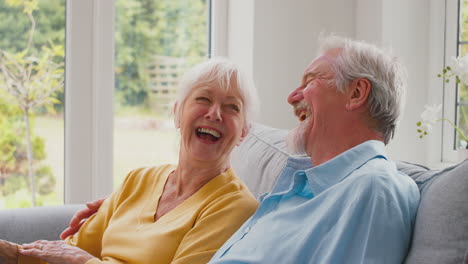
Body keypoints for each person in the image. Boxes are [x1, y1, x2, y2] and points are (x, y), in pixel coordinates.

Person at [59, 35, 421, 263]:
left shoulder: (373, 190)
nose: (292, 96)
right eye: (202, 99)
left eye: (310, 81)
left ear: (356, 94)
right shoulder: (300, 190)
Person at [0, 58, 260, 264]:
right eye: (203, 98)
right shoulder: (139, 179)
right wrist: (13, 253)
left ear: (243, 133)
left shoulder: (236, 207)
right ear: (178, 114)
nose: (214, 113)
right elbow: (69, 251)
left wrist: (85, 262)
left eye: (232, 107)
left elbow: (76, 258)